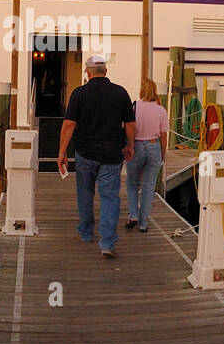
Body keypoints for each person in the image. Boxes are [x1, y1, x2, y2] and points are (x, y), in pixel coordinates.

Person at [58, 54, 135, 258]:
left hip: (85, 153)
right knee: (110, 198)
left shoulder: (79, 93)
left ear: (87, 71)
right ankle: (107, 243)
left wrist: (62, 152)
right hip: (112, 155)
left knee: (85, 194)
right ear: (106, 71)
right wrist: (130, 146)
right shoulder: (120, 93)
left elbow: (69, 124)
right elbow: (129, 124)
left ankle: (85, 234)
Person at [125, 79, 168, 231]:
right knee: (148, 187)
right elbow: (163, 135)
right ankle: (143, 224)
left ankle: (133, 215)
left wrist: (128, 146)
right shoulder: (161, 110)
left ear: (141, 90)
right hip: (153, 146)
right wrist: (163, 154)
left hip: (136, 146)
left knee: (132, 183)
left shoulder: (135, 106)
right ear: (155, 90)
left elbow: (128, 127)